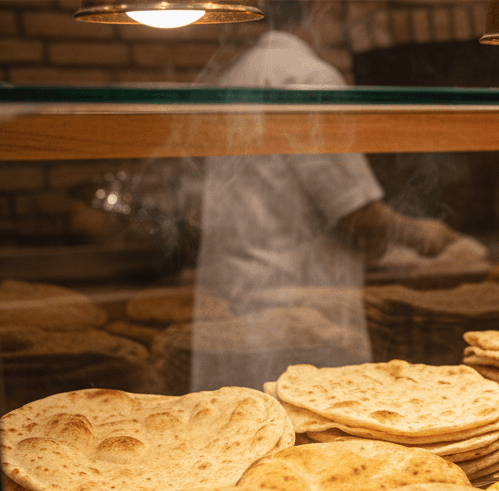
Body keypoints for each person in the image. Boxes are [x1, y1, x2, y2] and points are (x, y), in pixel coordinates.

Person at [192, 0, 460, 391]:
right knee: (317, 436)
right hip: (300, 310)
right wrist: (421, 233)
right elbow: (354, 210)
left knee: (241, 431)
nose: (350, 21)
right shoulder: (309, 77)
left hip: (239, 297)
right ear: (318, 9)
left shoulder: (237, 73)